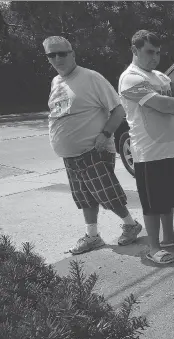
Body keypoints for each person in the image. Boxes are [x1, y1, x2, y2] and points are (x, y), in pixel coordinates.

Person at [44, 36, 142, 255]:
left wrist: (105, 134)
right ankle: (92, 236)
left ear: (73, 54)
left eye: (62, 53)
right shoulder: (56, 82)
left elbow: (118, 110)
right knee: (84, 197)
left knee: (107, 194)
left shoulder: (90, 78)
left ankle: (130, 225)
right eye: (52, 55)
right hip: (70, 155)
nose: (57, 58)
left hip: (93, 150)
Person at [118, 30, 174, 265]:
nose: (155, 57)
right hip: (148, 152)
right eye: (150, 52)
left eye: (158, 53)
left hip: (171, 148)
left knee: (168, 198)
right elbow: (167, 104)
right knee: (152, 204)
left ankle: (169, 237)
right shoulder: (130, 78)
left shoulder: (161, 77)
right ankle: (153, 248)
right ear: (135, 50)